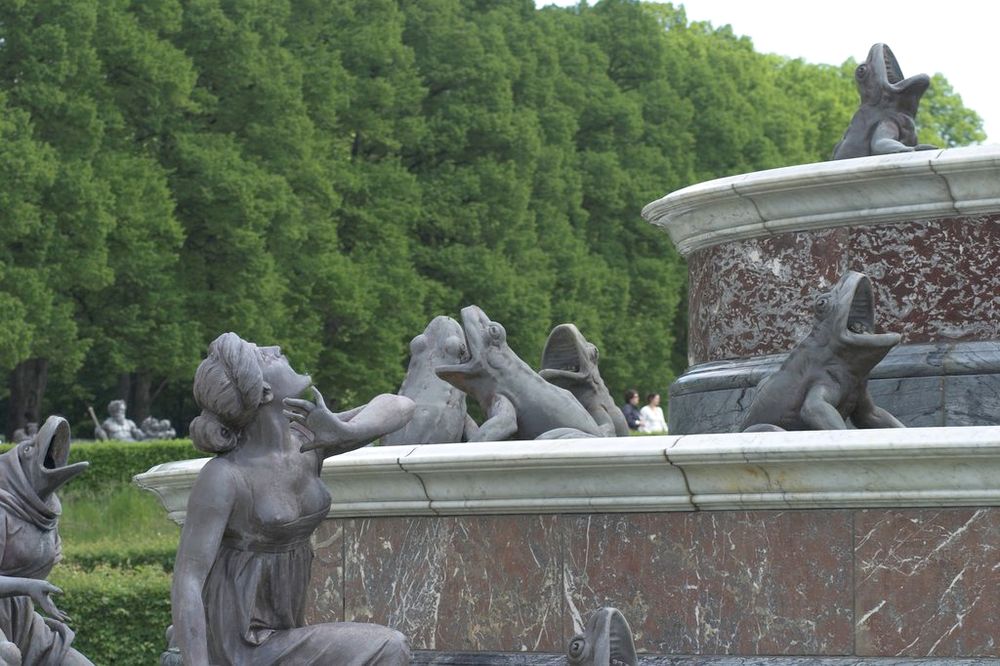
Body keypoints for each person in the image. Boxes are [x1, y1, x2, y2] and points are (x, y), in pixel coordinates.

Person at [171, 333, 414, 665]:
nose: (276, 348)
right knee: (390, 646)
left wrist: (349, 432)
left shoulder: (306, 442)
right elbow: (188, 578)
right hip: (242, 645)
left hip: (283, 633)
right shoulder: (224, 476)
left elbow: (401, 405)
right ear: (265, 393)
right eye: (266, 357)